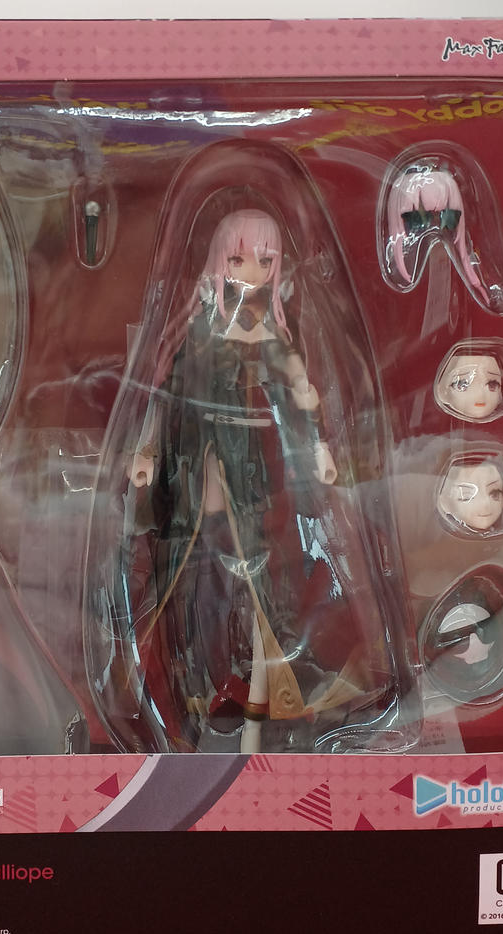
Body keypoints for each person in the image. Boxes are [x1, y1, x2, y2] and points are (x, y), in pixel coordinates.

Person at [112, 207, 395, 754]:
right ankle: (201, 706)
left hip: (261, 488)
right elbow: (162, 397)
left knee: (269, 608)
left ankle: (263, 719)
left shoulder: (273, 336)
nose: (251, 272)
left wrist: (318, 448)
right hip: (198, 487)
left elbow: (302, 398)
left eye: (264, 261)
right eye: (239, 259)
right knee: (199, 611)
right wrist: (145, 452)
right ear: (219, 262)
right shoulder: (196, 334)